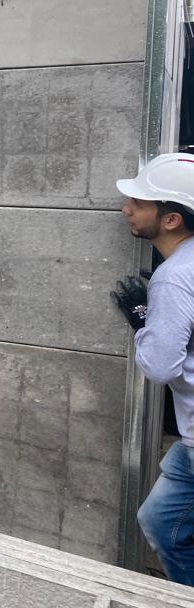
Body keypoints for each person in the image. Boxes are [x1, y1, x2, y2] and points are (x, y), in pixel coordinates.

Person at [114, 153, 194, 586]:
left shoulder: (176, 276)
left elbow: (161, 367)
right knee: (161, 520)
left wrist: (144, 324)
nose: (127, 208)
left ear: (171, 220)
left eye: (140, 202)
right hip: (190, 437)